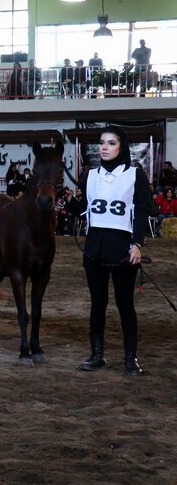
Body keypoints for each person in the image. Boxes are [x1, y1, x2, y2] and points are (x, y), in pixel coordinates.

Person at [77, 127, 152, 375]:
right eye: (102, 142)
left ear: (122, 147)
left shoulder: (135, 175)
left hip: (123, 251)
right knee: (97, 304)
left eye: (111, 143)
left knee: (125, 305)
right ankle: (96, 355)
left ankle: (131, 358)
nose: (104, 147)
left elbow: (141, 211)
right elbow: (82, 207)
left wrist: (137, 244)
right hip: (94, 250)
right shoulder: (89, 176)